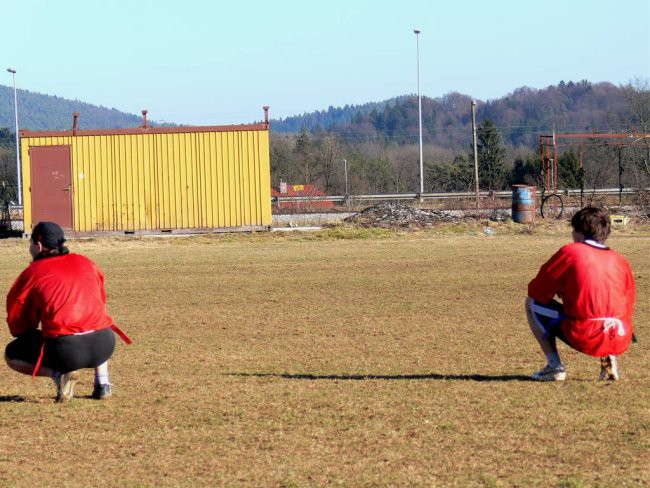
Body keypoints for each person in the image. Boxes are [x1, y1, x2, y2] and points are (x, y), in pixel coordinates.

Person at [5, 221, 131, 402]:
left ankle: (57, 375)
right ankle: (103, 383)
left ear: (39, 246)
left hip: (67, 351)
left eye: (31, 244)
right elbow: (100, 300)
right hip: (105, 344)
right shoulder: (86, 262)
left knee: (12, 354)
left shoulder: (33, 272)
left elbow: (19, 315)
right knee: (94, 319)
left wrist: (27, 332)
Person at [526, 207, 635, 381]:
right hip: (620, 336)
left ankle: (554, 367)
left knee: (531, 304)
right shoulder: (619, 259)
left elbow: (537, 291)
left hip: (585, 334)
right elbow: (626, 302)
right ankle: (608, 359)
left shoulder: (571, 252)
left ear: (580, 231)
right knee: (605, 312)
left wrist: (562, 289)